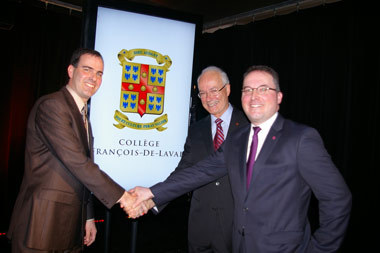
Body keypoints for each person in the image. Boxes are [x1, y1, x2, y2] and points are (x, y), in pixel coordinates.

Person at [128, 65, 352, 253]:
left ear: (279, 96)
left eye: (263, 89)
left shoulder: (301, 138)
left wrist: (320, 249)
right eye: (248, 90)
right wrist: (151, 193)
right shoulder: (237, 139)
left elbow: (338, 199)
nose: (254, 96)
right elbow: (200, 171)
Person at [7, 48, 134, 252]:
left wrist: (88, 216)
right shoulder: (52, 106)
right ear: (70, 70)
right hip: (41, 225)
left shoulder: (82, 115)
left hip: (72, 225)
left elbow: (83, 171)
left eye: (99, 73)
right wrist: (124, 197)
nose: (93, 77)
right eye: (87, 69)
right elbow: (77, 162)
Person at [155, 66, 248, 253]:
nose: (208, 98)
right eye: (203, 93)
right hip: (200, 228)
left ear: (228, 89)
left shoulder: (249, 125)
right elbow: (183, 171)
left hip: (237, 228)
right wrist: (154, 200)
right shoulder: (196, 130)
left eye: (214, 90)